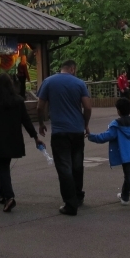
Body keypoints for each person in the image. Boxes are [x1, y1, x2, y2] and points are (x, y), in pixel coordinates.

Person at [0, 72, 43, 213]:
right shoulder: (18, 100)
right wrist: (35, 137)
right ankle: (2, 194)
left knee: (2, 167)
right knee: (4, 166)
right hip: (13, 140)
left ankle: (9, 197)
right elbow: (26, 120)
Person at [37, 59, 93, 216]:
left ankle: (70, 203)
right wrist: (85, 124)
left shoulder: (48, 82)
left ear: (62, 68)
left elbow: (40, 106)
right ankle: (78, 195)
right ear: (73, 69)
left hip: (59, 132)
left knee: (64, 167)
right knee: (77, 164)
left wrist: (41, 123)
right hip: (76, 131)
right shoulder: (79, 83)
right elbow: (87, 107)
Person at [88, 97, 130, 210]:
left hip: (124, 154)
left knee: (129, 176)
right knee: (128, 175)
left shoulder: (116, 125)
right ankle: (124, 197)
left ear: (118, 111)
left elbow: (105, 136)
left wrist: (91, 136)